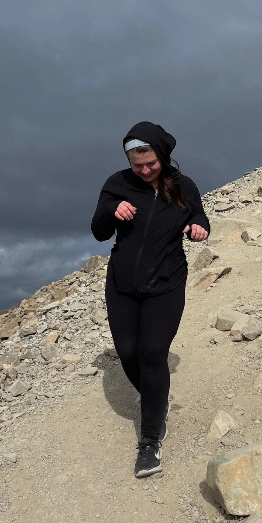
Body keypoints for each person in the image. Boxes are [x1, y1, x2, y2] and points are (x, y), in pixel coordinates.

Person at [91, 121, 210, 477]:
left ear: (163, 156)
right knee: (128, 353)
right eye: (136, 164)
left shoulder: (183, 186)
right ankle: (156, 398)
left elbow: (199, 215)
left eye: (151, 164)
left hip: (166, 283)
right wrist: (111, 211)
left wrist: (199, 227)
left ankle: (150, 439)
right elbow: (98, 232)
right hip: (122, 284)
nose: (144, 171)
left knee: (152, 354)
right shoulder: (117, 184)